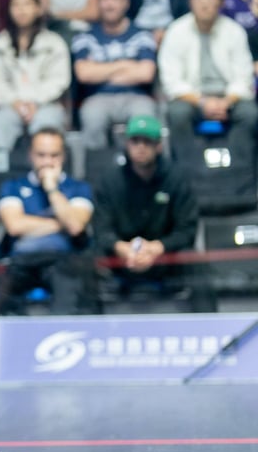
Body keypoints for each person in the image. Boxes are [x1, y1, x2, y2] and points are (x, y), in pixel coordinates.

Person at [93, 114, 218, 313]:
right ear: (127, 144)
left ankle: (211, 331)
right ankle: (87, 334)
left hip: (164, 257)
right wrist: (122, 248)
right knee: (85, 261)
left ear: (159, 145)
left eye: (147, 142)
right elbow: (101, 229)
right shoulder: (109, 181)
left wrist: (157, 248)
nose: (141, 147)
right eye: (135, 141)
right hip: (122, 257)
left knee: (194, 261)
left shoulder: (177, 178)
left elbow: (187, 230)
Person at [0, 127, 100, 316]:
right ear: (30, 156)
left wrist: (51, 189)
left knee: (73, 285)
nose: (47, 162)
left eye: (54, 155)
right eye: (41, 155)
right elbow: (15, 226)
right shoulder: (12, 187)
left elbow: (75, 227)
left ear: (63, 157)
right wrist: (60, 223)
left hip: (64, 261)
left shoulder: (78, 188)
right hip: (21, 262)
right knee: (5, 290)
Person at [159, 0, 258, 174]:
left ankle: (241, 175)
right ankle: (188, 176)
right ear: (190, 1)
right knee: (177, 113)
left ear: (221, 1)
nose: (205, 2)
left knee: (250, 114)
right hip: (192, 97)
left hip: (229, 97)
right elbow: (172, 82)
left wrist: (226, 101)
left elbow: (244, 77)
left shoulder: (234, 31)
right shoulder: (176, 31)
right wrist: (203, 102)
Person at [71, 0, 158, 150]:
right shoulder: (84, 37)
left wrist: (101, 71)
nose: (109, 5)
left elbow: (146, 73)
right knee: (92, 116)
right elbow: (84, 74)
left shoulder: (142, 35)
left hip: (137, 98)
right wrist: (126, 65)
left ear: (126, 2)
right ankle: (96, 172)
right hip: (98, 98)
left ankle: (143, 173)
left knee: (145, 117)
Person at [0, 0, 71, 152]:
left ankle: (46, 169)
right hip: (11, 105)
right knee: (1, 120)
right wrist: (16, 102)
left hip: (46, 104)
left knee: (47, 119)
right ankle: (2, 174)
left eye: (27, 4)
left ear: (38, 8)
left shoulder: (54, 43)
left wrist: (35, 101)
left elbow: (59, 80)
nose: (21, 10)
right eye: (16, 5)